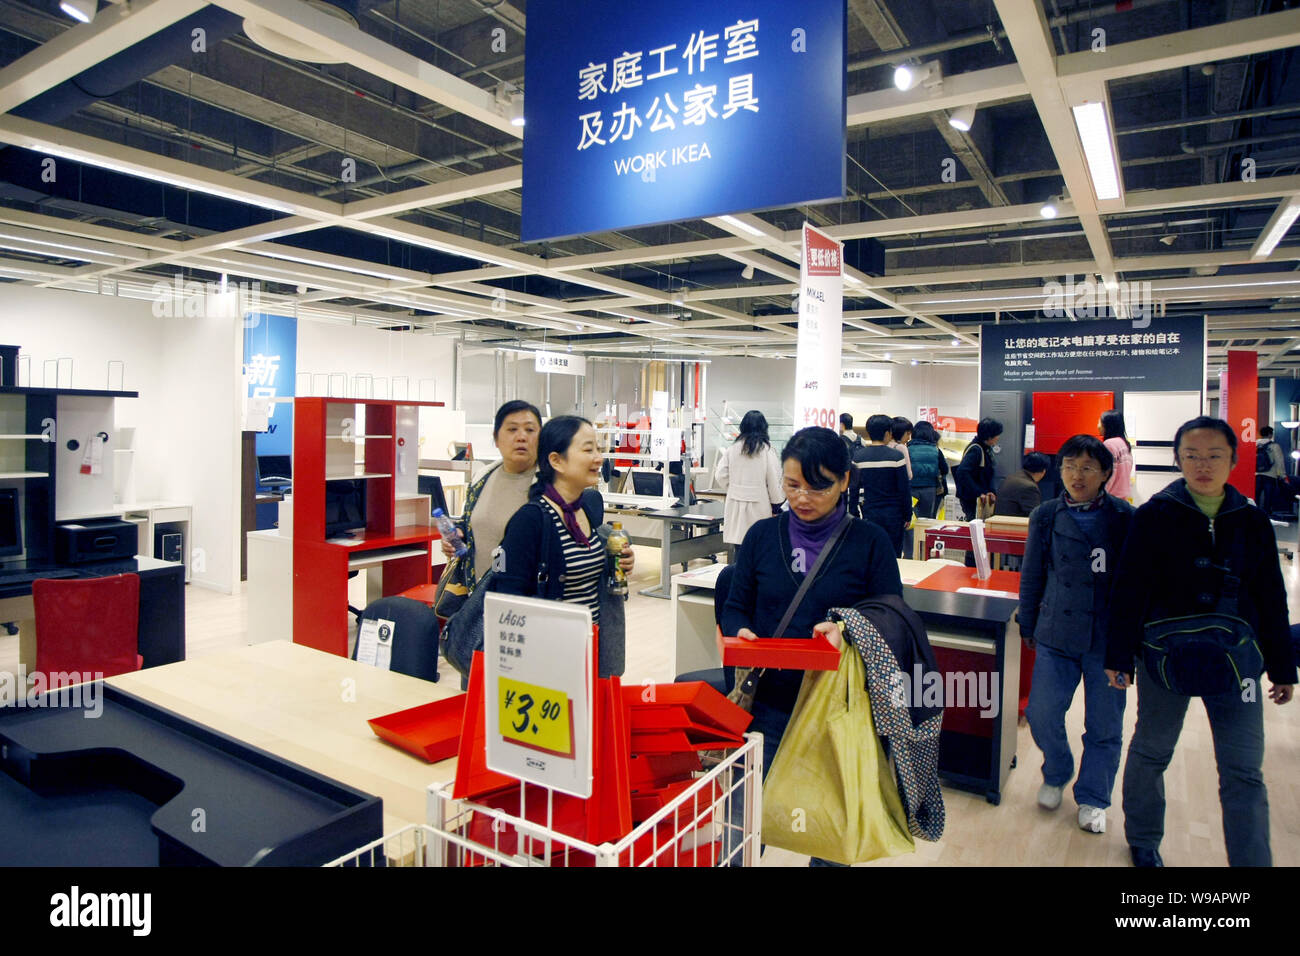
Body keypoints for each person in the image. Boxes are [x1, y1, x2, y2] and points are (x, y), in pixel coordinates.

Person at [1104, 416, 1296, 867]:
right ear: (1178, 460)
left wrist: (1284, 667)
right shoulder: (1154, 515)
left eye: (1214, 456)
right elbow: (1128, 589)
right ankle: (1144, 840)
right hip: (1163, 658)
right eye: (1191, 456)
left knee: (1244, 770)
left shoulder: (1251, 520)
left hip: (1239, 663)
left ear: (1233, 459)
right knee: (1152, 751)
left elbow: (1271, 597)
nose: (1202, 465)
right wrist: (1119, 656)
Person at [721, 426, 903, 866]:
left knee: (832, 821)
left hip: (835, 704)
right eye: (792, 485)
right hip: (767, 700)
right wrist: (740, 631)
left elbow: (891, 618)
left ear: (844, 480)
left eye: (818, 486)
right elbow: (735, 604)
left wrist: (849, 629)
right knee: (744, 818)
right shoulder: (763, 536)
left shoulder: (870, 542)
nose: (803, 497)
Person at [1019, 435, 1134, 835]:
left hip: (1107, 639)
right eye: (1069, 465)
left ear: (1106, 473)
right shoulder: (1047, 515)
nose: (1076, 475)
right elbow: (1032, 574)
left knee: (1105, 725)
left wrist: (1129, 645)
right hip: (1056, 631)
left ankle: (1093, 797)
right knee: (1042, 712)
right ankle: (1058, 770)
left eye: (1087, 467)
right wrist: (1028, 623)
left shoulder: (1123, 518)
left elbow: (1136, 585)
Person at [490, 416, 635, 676]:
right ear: (556, 460)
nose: (598, 458)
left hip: (591, 654)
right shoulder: (531, 520)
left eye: (598, 449)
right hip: (548, 664)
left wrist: (616, 564)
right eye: (588, 449)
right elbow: (508, 603)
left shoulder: (585, 510)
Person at [442, 400, 542, 588]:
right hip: (477, 597)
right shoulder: (482, 478)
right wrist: (457, 537)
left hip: (527, 599)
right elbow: (470, 523)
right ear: (496, 438)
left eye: (530, 430)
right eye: (512, 429)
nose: (521, 437)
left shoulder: (550, 486)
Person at [713, 410, 784, 562]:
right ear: (764, 427)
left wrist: (733, 487)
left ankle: (738, 581)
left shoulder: (733, 449)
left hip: (735, 503)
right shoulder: (766, 450)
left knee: (739, 549)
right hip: (759, 505)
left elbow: (720, 474)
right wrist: (777, 503)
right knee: (759, 548)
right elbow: (773, 478)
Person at [849, 413, 912, 557]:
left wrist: (853, 513)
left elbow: (853, 489)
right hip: (894, 515)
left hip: (870, 513)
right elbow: (904, 489)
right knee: (893, 554)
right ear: (887, 433)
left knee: (872, 553)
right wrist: (907, 514)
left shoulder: (858, 457)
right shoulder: (896, 457)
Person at [954, 417, 1003, 521]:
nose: (998, 437)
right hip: (972, 499)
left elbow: (987, 475)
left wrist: (990, 491)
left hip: (980, 497)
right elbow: (962, 472)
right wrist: (978, 492)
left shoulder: (985, 448)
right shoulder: (976, 449)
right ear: (989, 436)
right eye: (997, 435)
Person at [907, 420, 949, 520]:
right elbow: (945, 469)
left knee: (912, 518)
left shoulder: (907, 449)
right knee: (927, 519)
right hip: (929, 489)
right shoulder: (936, 450)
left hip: (911, 488)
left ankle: (913, 536)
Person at [995, 452, 1050, 518]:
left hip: (1000, 522)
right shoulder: (1029, 487)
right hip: (1013, 525)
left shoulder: (1012, 477)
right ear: (1044, 471)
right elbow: (1036, 517)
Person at [1099, 409, 1134, 501]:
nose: (1098, 426)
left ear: (1108, 425)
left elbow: (1109, 474)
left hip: (1110, 498)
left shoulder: (1109, 444)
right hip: (1123, 498)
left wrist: (1099, 497)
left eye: (1100, 423)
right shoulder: (1124, 443)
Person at [1255, 425, 1286, 515]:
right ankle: (1267, 515)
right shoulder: (1274, 446)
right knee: (1268, 497)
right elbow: (1279, 461)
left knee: (1256, 495)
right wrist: (1282, 475)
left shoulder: (1254, 445)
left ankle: (1255, 514)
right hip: (1270, 475)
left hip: (1256, 474)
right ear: (1270, 434)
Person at [888, 416, 914, 482]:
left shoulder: (884, 445)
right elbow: (909, 475)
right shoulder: (901, 447)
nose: (909, 438)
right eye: (908, 434)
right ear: (900, 432)